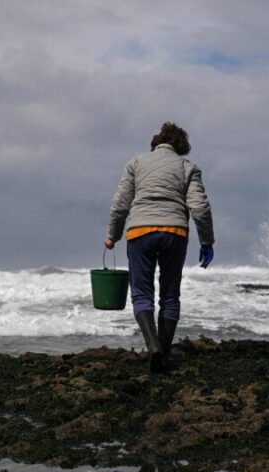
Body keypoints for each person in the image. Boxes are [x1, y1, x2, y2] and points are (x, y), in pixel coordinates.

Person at [105, 122, 214, 373]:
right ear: (180, 147)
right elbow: (200, 208)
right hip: (174, 232)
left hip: (140, 232)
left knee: (142, 294)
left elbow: (120, 205)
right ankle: (163, 355)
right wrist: (207, 242)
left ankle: (152, 347)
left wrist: (113, 235)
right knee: (170, 294)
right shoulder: (187, 167)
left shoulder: (136, 163)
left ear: (156, 143)